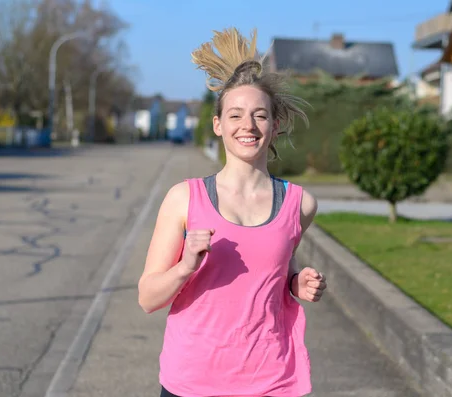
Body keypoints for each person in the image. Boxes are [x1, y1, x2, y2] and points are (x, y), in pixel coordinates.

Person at [138, 27, 327, 397]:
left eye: (260, 116)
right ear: (218, 125)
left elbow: (270, 270)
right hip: (191, 382)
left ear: (274, 127)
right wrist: (186, 267)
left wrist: (294, 283)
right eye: (236, 115)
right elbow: (147, 298)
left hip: (271, 380)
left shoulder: (300, 204)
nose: (248, 125)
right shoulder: (184, 198)